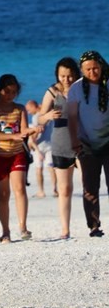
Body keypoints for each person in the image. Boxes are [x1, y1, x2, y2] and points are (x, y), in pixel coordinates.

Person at [0, 74, 40, 243]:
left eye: (14, 92)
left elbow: (23, 130)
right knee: (3, 194)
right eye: (7, 91)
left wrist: (32, 131)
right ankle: (5, 231)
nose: (10, 95)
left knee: (20, 189)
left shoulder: (20, 109)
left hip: (17, 154)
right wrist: (13, 136)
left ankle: (23, 227)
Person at [67, 50, 109, 238]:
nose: (93, 72)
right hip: (87, 144)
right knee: (90, 187)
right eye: (88, 69)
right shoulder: (76, 88)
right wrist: (75, 141)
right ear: (82, 70)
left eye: (95, 68)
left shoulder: (107, 84)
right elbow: (72, 117)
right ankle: (93, 225)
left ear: (101, 66)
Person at [38, 57, 81, 238]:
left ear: (75, 74)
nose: (66, 80)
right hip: (60, 144)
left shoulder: (81, 89)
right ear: (57, 75)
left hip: (82, 143)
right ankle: (65, 230)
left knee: (88, 185)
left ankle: (93, 225)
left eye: (70, 76)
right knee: (64, 189)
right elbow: (40, 118)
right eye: (62, 76)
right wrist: (48, 115)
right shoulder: (52, 92)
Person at [25, 99, 54, 198]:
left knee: (39, 169)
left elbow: (37, 132)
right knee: (51, 168)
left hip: (40, 146)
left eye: (29, 110)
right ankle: (55, 189)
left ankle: (41, 191)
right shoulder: (47, 114)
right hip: (50, 144)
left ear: (33, 107)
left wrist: (32, 144)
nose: (28, 113)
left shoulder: (36, 117)